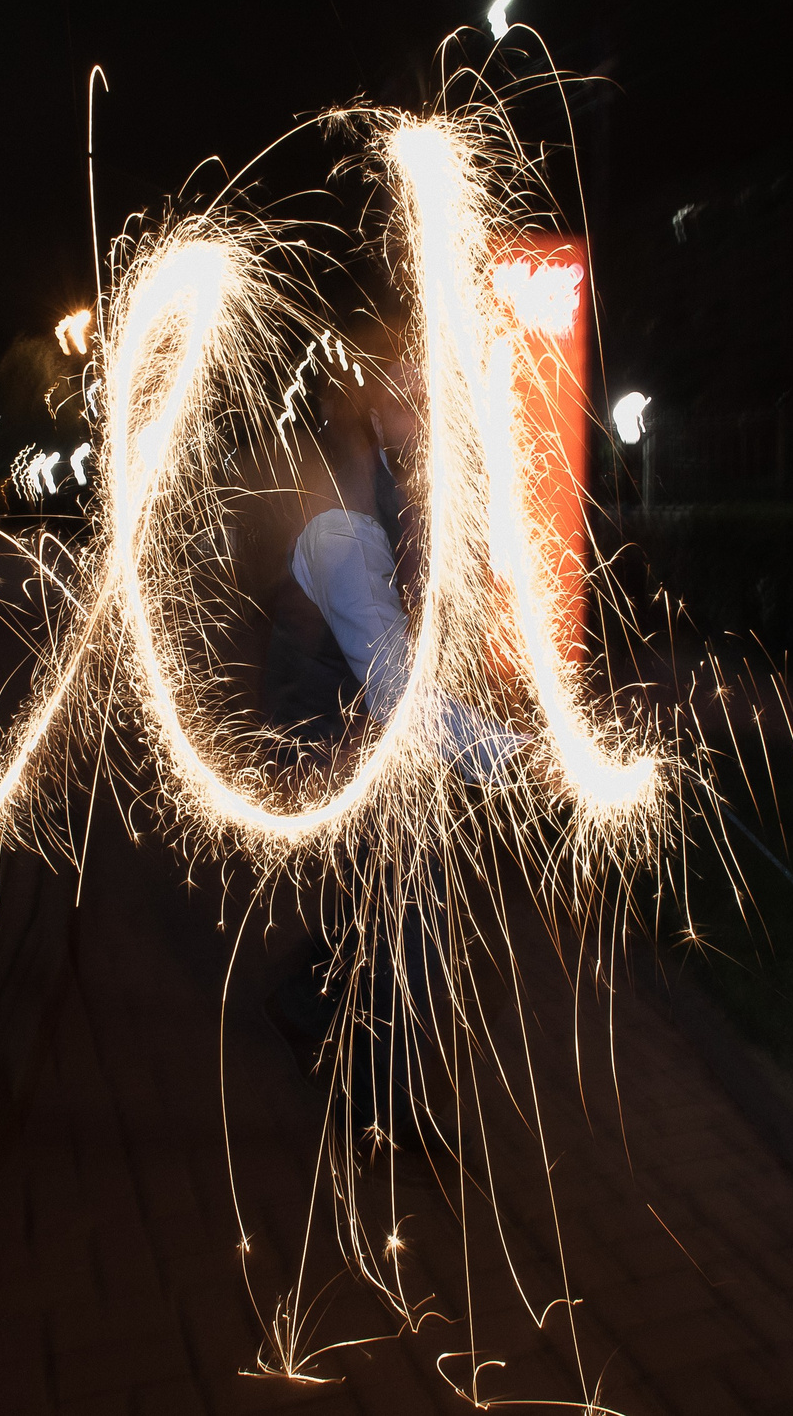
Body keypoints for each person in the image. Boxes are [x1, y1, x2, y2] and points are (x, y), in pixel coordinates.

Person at [261, 348, 521, 1151]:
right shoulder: (343, 526)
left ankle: (304, 1002)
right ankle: (380, 1116)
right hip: (332, 744)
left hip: (353, 727)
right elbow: (397, 690)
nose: (432, 391)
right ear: (373, 408)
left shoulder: (389, 481)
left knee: (372, 904)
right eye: (412, 385)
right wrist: (513, 755)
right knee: (413, 905)